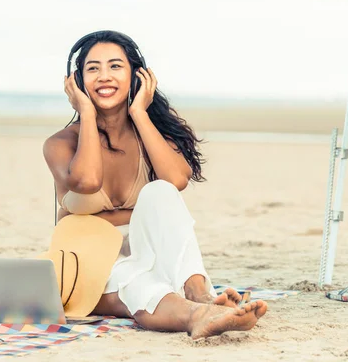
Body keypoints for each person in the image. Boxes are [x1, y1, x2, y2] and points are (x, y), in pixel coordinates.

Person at [43, 30, 267, 339]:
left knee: (160, 190)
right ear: (78, 82)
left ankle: (199, 293)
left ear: (137, 76)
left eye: (115, 66)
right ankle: (197, 315)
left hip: (149, 252)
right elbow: (88, 181)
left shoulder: (153, 135)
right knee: (137, 283)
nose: (104, 76)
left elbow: (176, 182)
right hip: (87, 264)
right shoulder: (60, 144)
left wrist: (138, 113)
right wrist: (86, 112)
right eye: (93, 68)